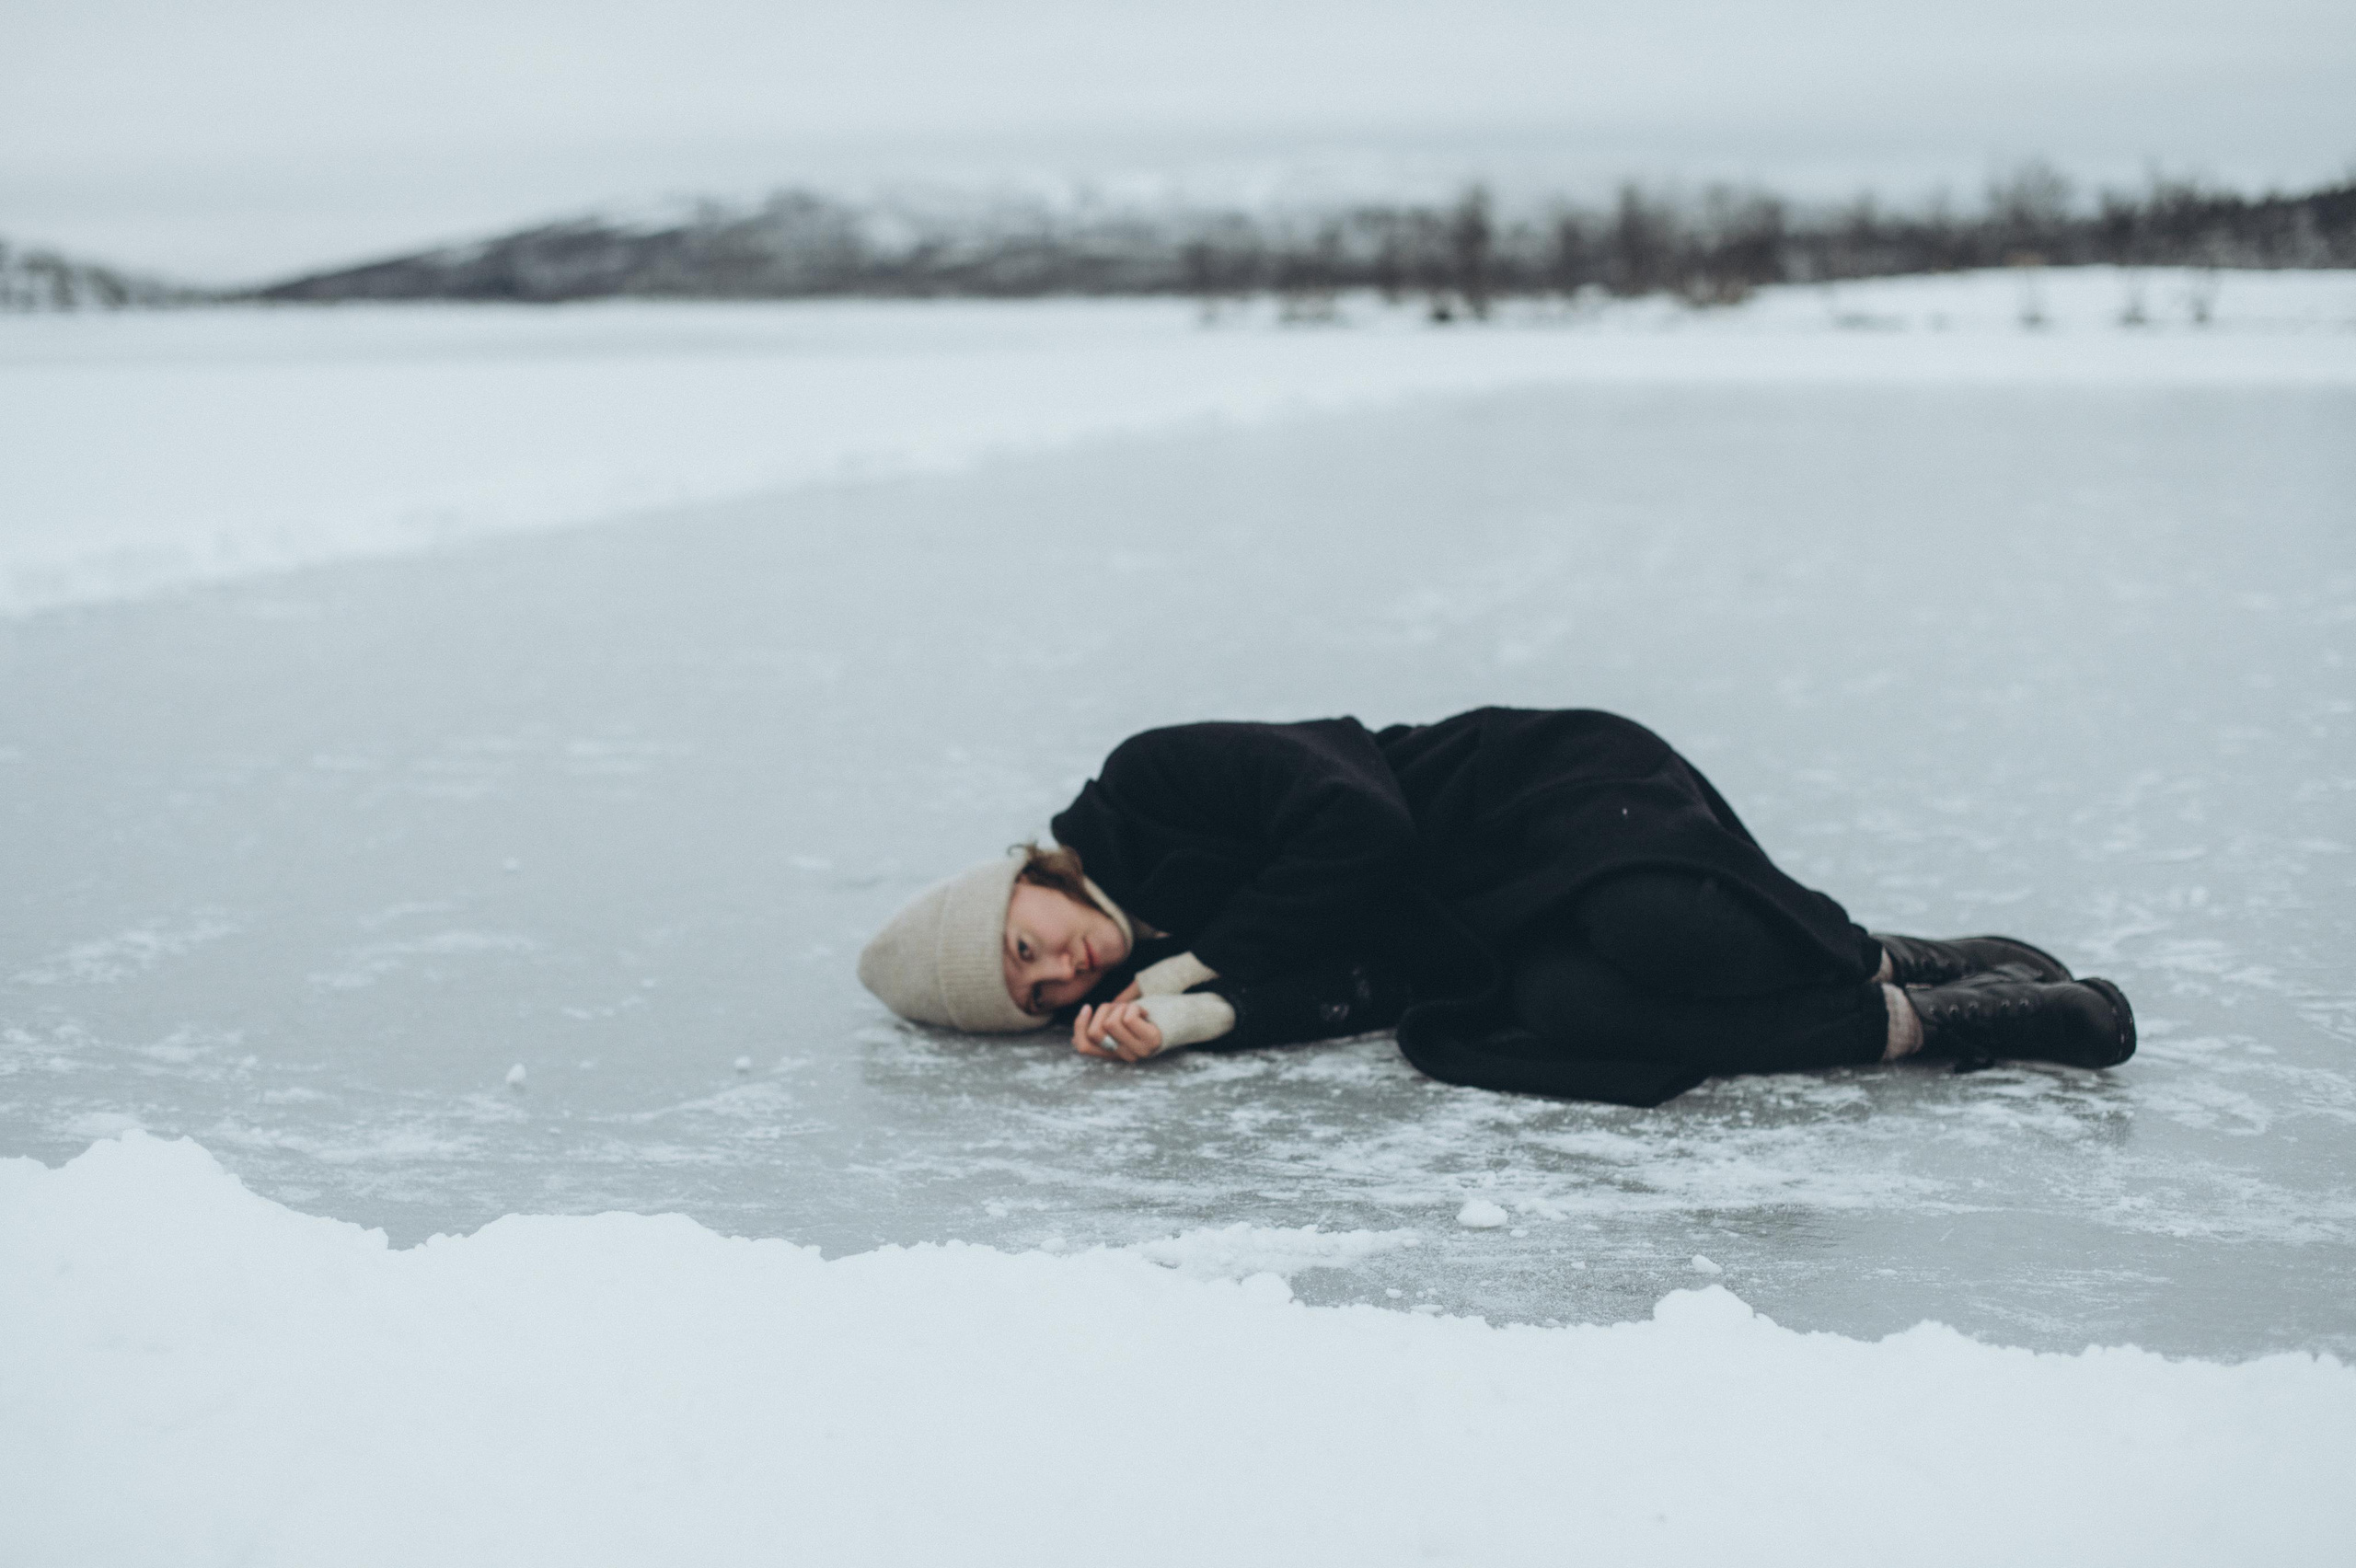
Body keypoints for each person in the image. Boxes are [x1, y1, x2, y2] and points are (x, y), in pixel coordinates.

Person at [856, 709, 2135, 1107]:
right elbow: (1363, 988)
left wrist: (1206, 971)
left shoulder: (1149, 781)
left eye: (1028, 942)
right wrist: (1199, 1024)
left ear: (1023, 876)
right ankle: (1957, 1019)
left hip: (1532, 793)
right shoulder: (1167, 967)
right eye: (1041, 995)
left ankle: (1875, 954)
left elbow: (1360, 821)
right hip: (1485, 926)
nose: (1062, 969)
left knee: (1654, 929)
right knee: (1578, 1019)